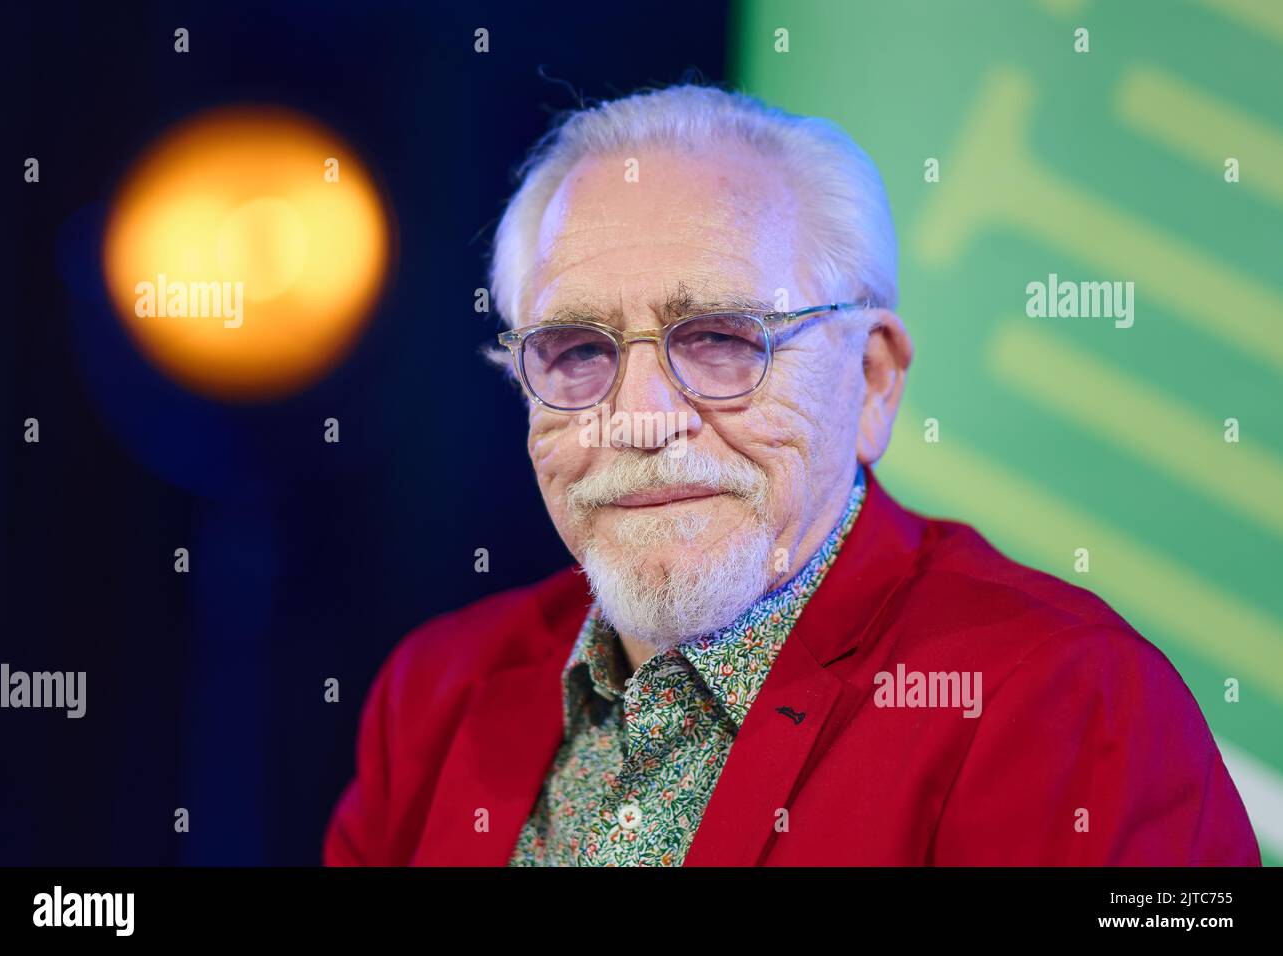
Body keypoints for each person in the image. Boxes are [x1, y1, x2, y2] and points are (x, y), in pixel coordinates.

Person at [324, 84, 1259, 866]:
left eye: (725, 339)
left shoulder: (1071, 702)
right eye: (576, 351)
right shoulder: (435, 693)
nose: (644, 418)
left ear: (872, 381)